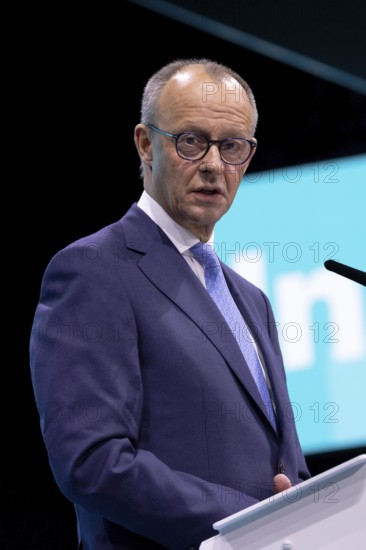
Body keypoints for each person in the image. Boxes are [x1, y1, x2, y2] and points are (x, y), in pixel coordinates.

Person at [29, 58, 310, 550]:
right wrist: (254, 521)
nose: (213, 165)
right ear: (145, 144)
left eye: (232, 147)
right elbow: (92, 463)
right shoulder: (95, 270)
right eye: (191, 141)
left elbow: (285, 468)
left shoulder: (252, 300)